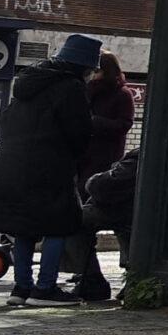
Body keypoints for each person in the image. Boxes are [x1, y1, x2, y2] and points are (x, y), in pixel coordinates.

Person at [0, 33, 101, 307]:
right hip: (50, 167)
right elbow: (80, 132)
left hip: (11, 165)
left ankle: (21, 288)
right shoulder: (71, 87)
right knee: (58, 225)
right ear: (84, 66)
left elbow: (6, 123)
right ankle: (45, 289)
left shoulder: (27, 84)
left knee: (24, 228)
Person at [61, 50, 137, 301]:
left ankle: (130, 277)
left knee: (120, 225)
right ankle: (88, 276)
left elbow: (123, 124)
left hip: (106, 165)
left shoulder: (122, 95)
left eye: (97, 70)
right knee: (76, 220)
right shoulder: (86, 92)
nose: (94, 75)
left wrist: (93, 122)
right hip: (83, 165)